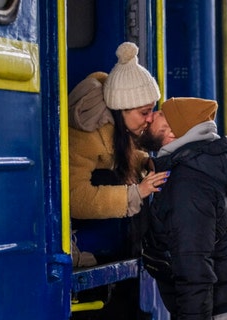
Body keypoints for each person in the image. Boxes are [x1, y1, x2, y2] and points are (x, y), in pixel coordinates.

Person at [140, 97, 227, 320]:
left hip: (218, 312)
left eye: (162, 114)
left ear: (174, 133)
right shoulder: (206, 170)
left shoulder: (189, 183)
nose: (152, 116)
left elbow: (193, 265)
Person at [68, 42, 170, 263]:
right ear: (122, 109)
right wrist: (134, 194)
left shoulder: (119, 126)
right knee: (115, 180)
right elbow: (74, 197)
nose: (150, 118)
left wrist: (145, 163)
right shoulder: (85, 132)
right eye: (144, 112)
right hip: (77, 225)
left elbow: (119, 155)